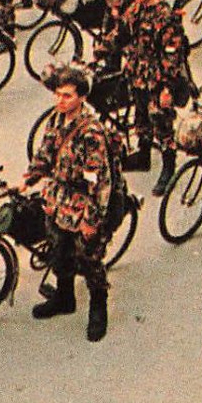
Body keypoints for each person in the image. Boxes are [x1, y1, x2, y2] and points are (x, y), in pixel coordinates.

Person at [24, 64, 119, 341]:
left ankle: (98, 308)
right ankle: (65, 299)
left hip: (83, 204)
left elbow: (100, 181)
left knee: (89, 259)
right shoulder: (57, 119)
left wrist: (92, 221)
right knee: (58, 249)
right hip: (58, 198)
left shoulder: (91, 133)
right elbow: (46, 151)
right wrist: (30, 178)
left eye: (67, 96)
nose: (60, 100)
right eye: (58, 94)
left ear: (82, 98)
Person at [118, 0, 193, 197]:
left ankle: (168, 166)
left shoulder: (165, 17)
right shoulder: (135, 10)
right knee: (141, 116)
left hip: (158, 79)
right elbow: (122, 33)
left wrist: (167, 88)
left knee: (161, 121)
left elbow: (173, 56)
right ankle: (143, 156)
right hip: (138, 73)